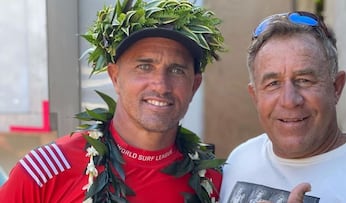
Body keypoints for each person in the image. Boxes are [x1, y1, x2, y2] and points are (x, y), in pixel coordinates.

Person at [0, 0, 226, 202]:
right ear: (115, 77)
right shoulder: (46, 171)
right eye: (144, 66)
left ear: (194, 85)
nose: (160, 85)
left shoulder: (213, 182)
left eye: (176, 70)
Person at [220, 11, 346, 203]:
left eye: (304, 80)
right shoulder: (239, 160)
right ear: (255, 96)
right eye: (273, 83)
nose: (289, 100)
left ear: (336, 87)